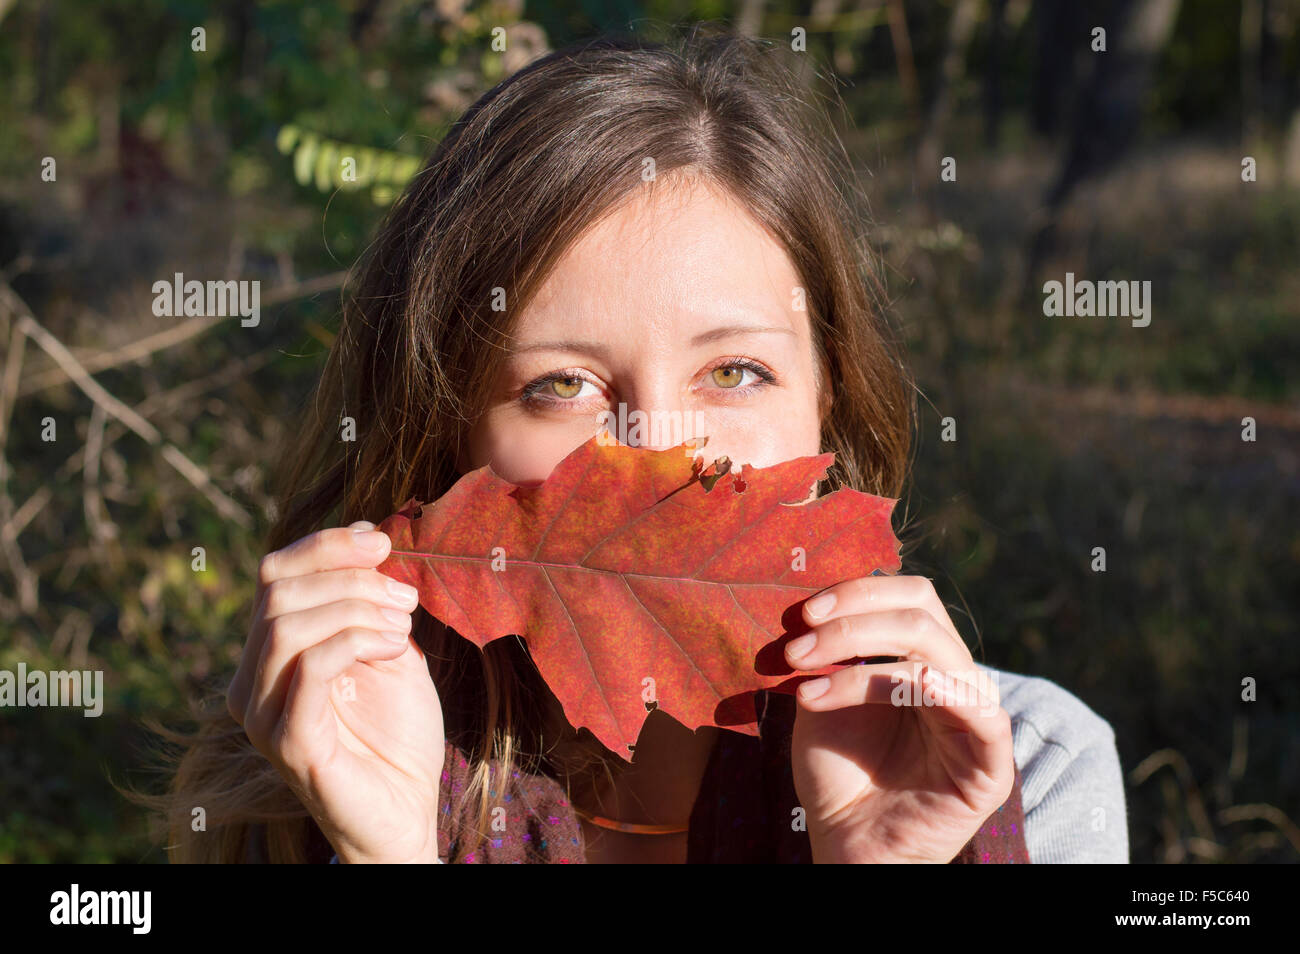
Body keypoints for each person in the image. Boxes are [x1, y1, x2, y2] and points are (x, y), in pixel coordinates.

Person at [154, 24, 1127, 863]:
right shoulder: (312, 761)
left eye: (733, 371)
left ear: (827, 396)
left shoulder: (1022, 768)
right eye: (561, 385)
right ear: (446, 434)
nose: (663, 450)